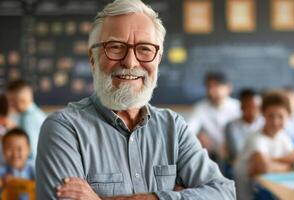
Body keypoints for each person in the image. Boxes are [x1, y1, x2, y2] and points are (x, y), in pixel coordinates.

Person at [36, 0, 235, 199]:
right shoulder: (63, 129)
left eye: (145, 49)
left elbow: (224, 193)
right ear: (93, 59)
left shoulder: (173, 128)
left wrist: (152, 198)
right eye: (115, 47)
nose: (130, 62)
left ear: (158, 59)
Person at [234, 91, 294, 200]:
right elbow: (265, 167)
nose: (275, 121)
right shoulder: (256, 138)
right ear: (263, 115)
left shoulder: (282, 136)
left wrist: (271, 160)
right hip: (251, 196)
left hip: (270, 190)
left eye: (280, 116)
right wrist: (290, 166)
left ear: (288, 116)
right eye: (270, 116)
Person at [188, 72, 240, 162]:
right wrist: (196, 137)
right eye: (209, 87)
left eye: (216, 86)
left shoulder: (238, 107)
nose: (211, 91)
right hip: (212, 157)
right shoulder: (200, 108)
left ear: (228, 88)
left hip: (236, 156)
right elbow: (188, 130)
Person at [6, 79, 46, 158]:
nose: (10, 104)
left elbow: (32, 153)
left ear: (23, 100)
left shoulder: (28, 119)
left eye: (12, 100)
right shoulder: (34, 114)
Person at [225, 89, 263, 163]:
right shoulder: (231, 126)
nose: (253, 111)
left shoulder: (264, 123)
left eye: (256, 107)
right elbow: (237, 151)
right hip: (240, 162)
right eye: (249, 107)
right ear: (242, 107)